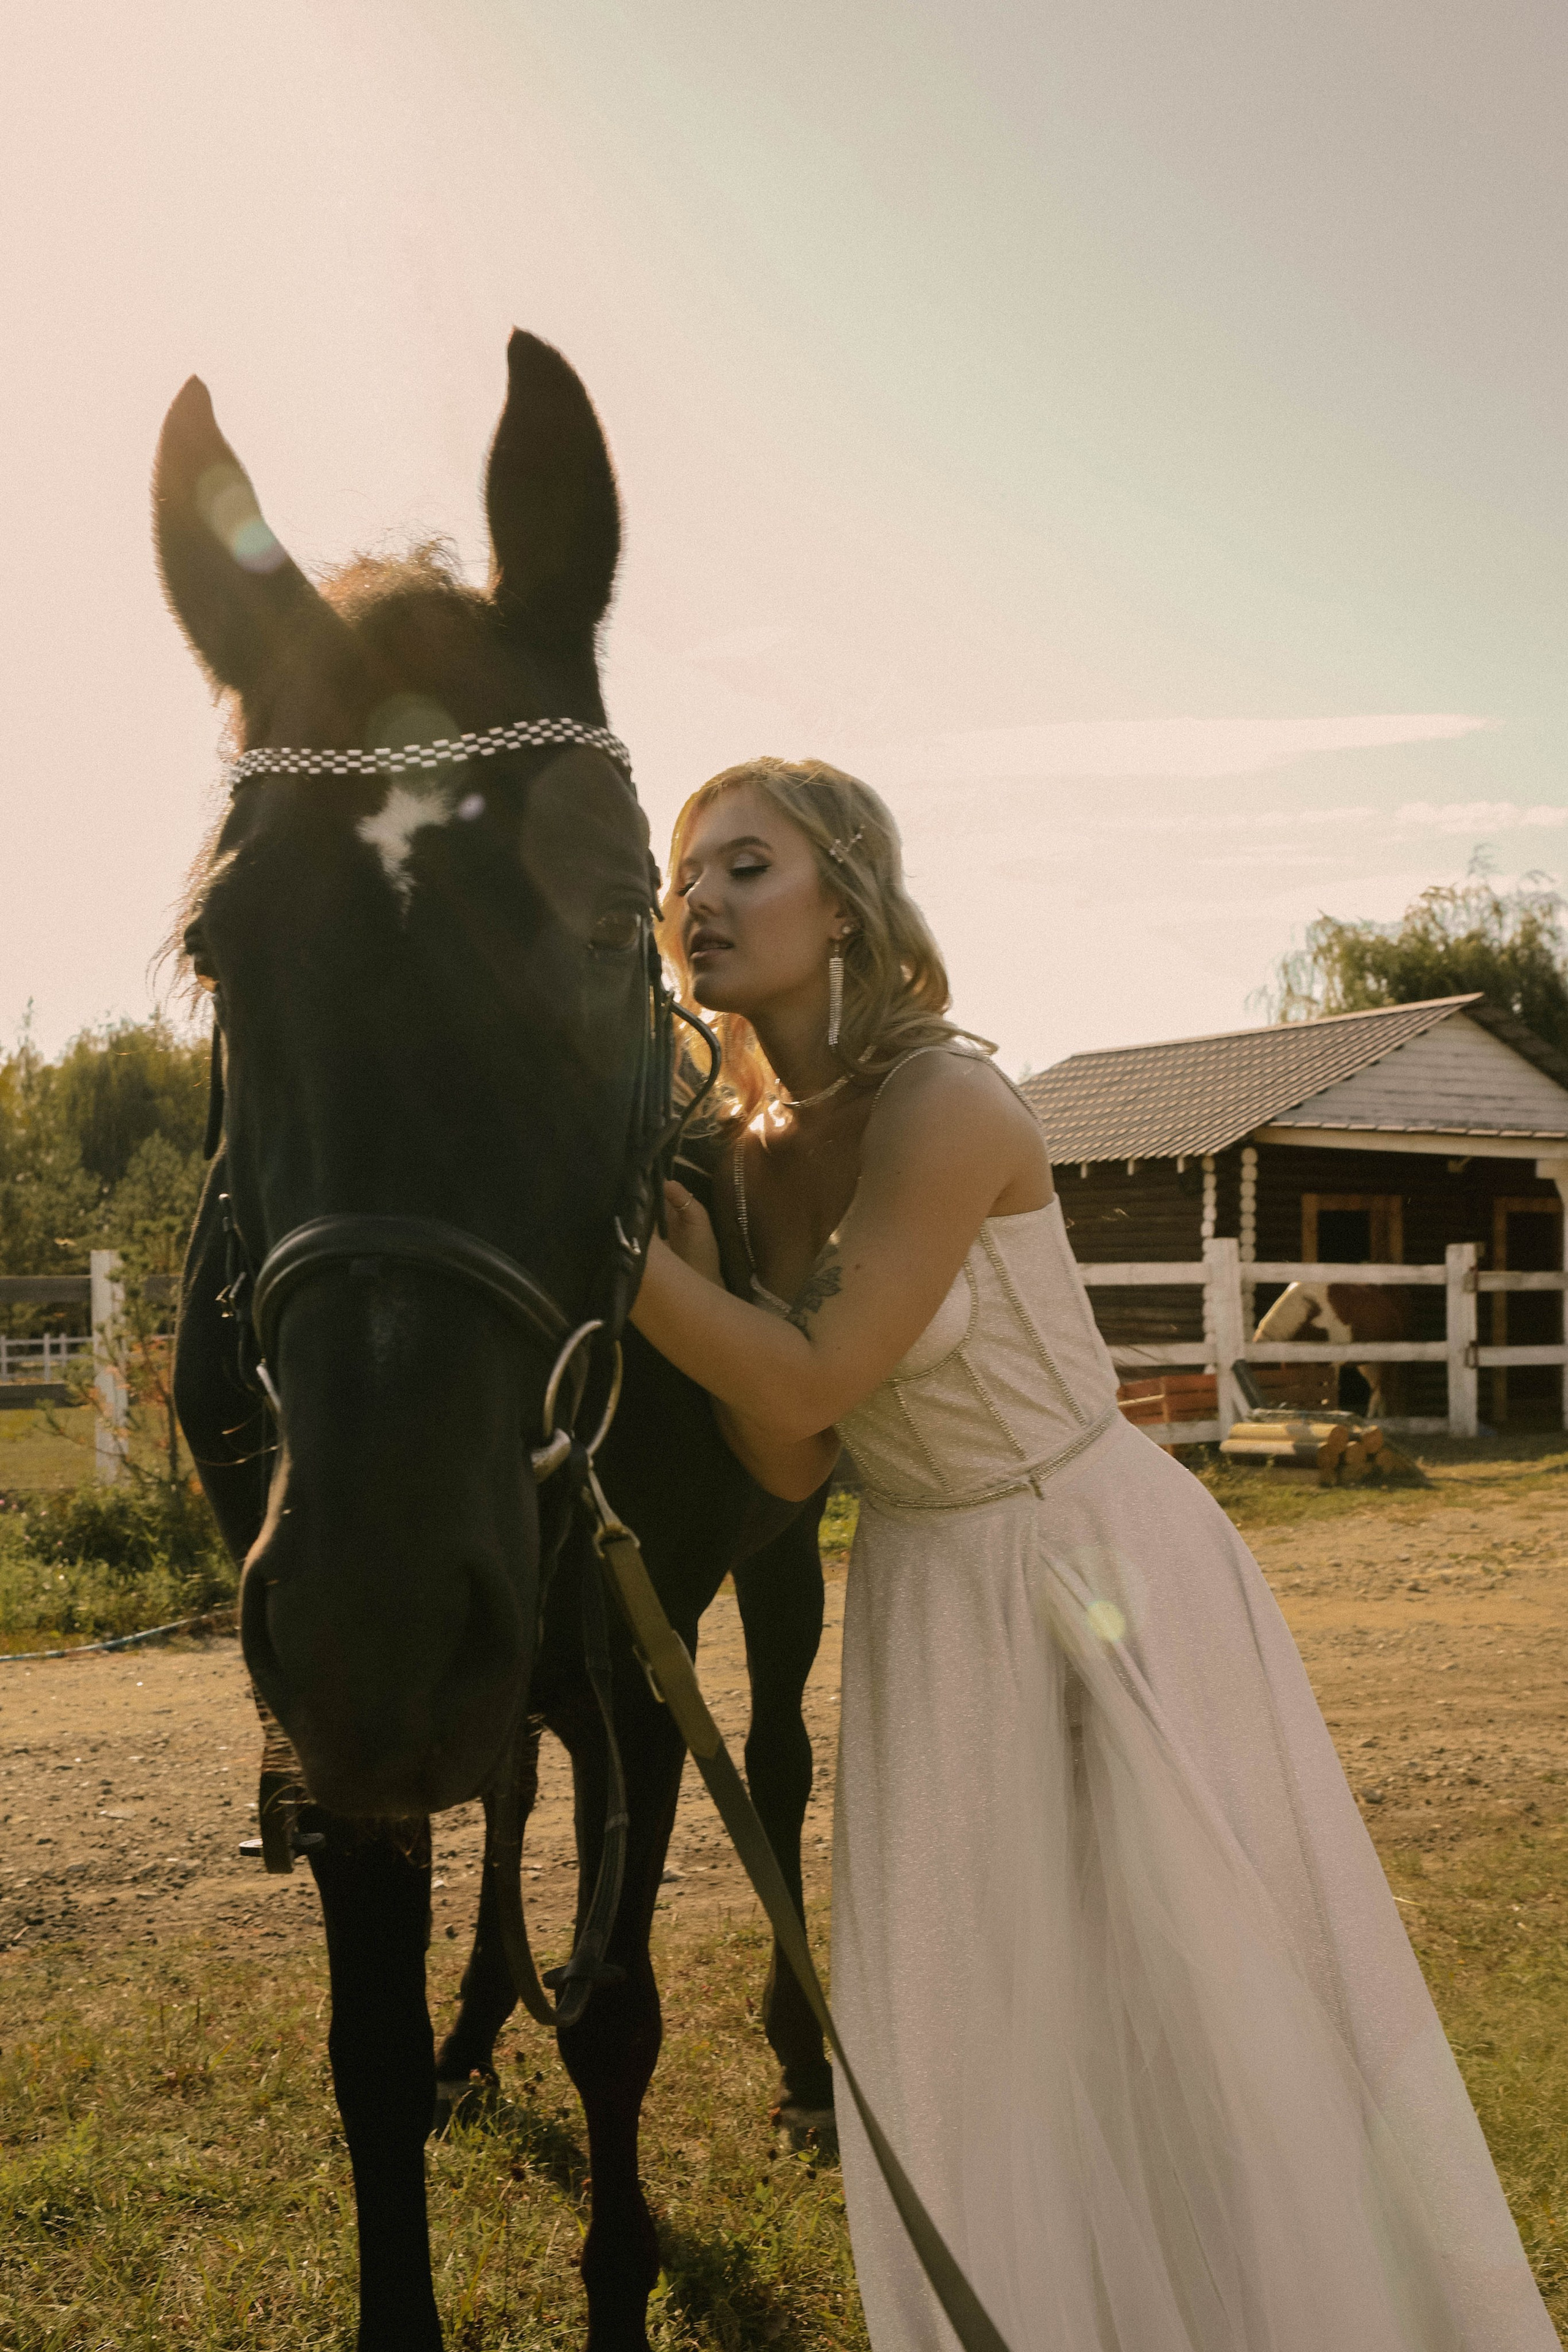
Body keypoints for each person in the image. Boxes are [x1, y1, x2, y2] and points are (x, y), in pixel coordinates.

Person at [630, 755, 1555, 2352]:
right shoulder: (748, 1148)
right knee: (980, 2028)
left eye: (747, 866)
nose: (699, 898)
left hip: (1092, 1570)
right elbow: (790, 1453)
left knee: (1198, 2008)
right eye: (683, 873)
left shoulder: (949, 1104)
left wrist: (627, 1271)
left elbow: (814, 1372)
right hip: (929, 1599)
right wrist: (705, 1266)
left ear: (845, 901)